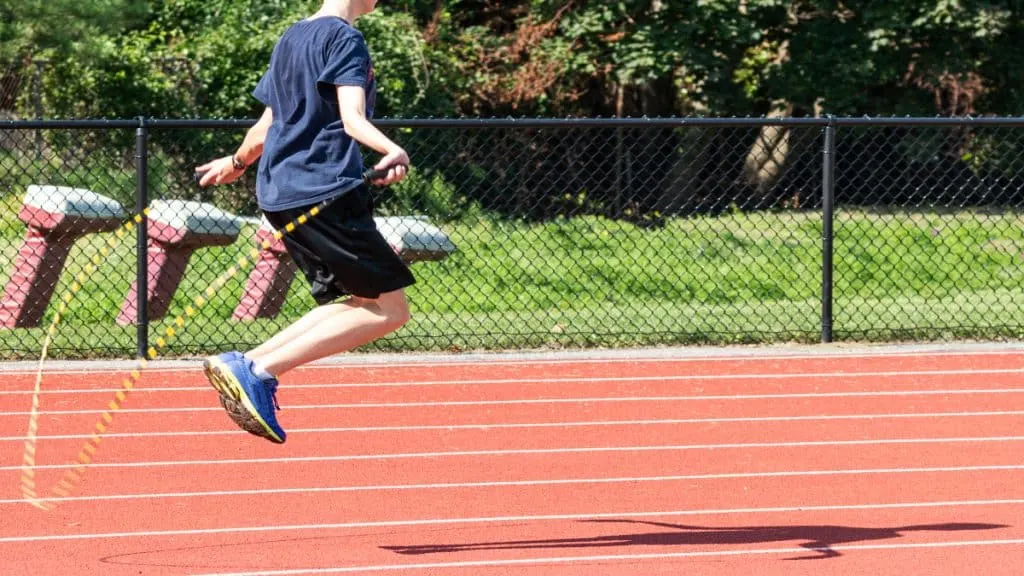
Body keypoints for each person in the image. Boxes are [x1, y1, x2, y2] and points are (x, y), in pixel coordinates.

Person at [194, 0, 413, 444]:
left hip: (279, 192)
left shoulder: (291, 37)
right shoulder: (345, 37)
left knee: (356, 300)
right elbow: (352, 118)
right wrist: (392, 149)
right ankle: (258, 369)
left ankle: (246, 363)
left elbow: (267, 123)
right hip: (324, 188)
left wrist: (236, 162)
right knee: (390, 310)